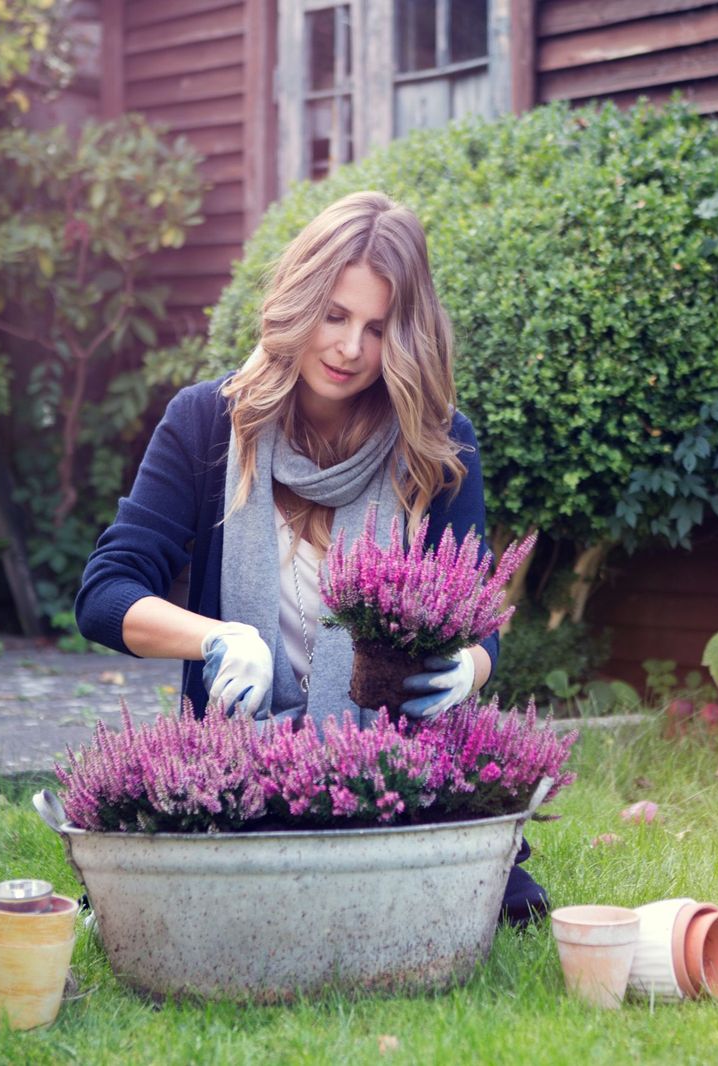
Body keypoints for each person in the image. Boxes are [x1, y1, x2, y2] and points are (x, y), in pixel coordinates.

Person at [75, 190, 547, 925]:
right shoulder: (206, 423)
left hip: (388, 775)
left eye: (378, 328)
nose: (349, 348)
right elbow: (105, 594)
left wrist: (467, 669)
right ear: (300, 301)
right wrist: (216, 637)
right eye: (334, 314)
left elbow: (479, 628)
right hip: (238, 771)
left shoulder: (436, 443)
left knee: (494, 903)